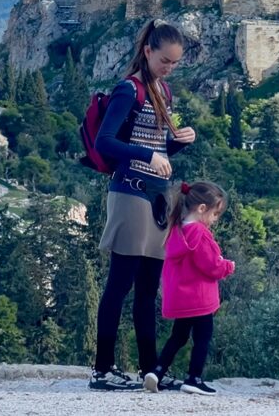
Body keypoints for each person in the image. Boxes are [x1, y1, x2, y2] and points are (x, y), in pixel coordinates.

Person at [89, 19, 197, 391]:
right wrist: (148, 154)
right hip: (130, 192)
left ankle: (151, 371)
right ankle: (102, 370)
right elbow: (105, 142)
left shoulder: (162, 91)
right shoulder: (127, 90)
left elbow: (159, 148)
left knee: (149, 289)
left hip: (156, 198)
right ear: (148, 51)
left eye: (175, 64)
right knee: (119, 284)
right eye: (165, 60)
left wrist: (180, 141)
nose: (169, 68)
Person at [143, 180, 234, 395]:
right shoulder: (200, 234)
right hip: (200, 299)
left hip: (181, 298)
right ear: (202, 209)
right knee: (202, 337)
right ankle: (193, 378)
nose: (215, 220)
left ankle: (157, 371)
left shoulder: (175, 231)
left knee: (178, 337)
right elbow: (211, 266)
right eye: (215, 214)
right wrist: (228, 266)